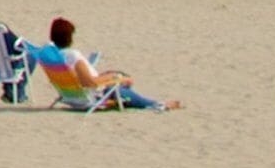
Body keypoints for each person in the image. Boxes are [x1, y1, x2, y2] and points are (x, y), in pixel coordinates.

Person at [27, 16, 177, 109]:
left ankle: (122, 97)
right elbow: (90, 83)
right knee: (122, 83)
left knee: (120, 77)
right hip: (90, 96)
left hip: (69, 95)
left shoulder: (53, 56)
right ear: (70, 37)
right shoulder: (73, 56)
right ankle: (157, 104)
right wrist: (114, 78)